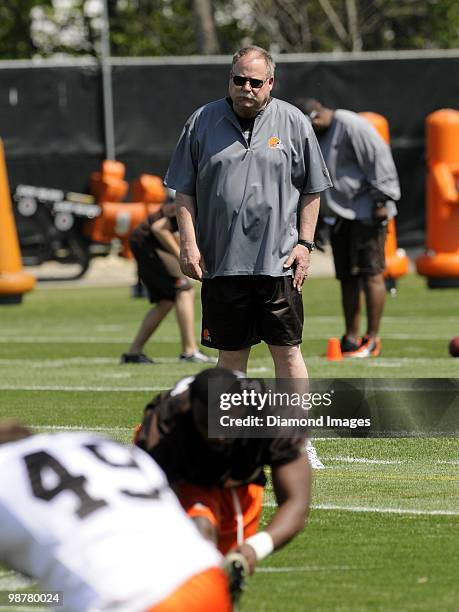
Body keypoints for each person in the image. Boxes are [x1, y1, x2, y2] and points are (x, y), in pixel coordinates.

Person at [165, 46, 332, 468]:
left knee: (288, 352)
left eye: (256, 81)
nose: (247, 88)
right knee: (230, 358)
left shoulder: (294, 121)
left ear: (270, 83)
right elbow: (183, 189)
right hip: (221, 263)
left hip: (278, 262)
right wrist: (188, 242)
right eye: (239, 79)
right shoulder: (201, 121)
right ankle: (230, 444)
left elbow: (312, 188)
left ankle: (295, 442)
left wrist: (305, 245)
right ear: (230, 79)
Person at [0, 420, 231, 612]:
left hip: (127, 601)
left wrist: (11, 599)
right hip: (204, 575)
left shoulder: (6, 471)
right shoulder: (88, 441)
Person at [134, 368, 312, 581]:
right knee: (194, 543)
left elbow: (296, 502)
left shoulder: (273, 415)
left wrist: (256, 547)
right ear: (191, 411)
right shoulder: (164, 427)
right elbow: (152, 508)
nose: (218, 436)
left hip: (241, 478)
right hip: (188, 471)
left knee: (227, 570)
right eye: (208, 425)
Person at [296, 98, 401, 358]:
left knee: (371, 273)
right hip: (340, 215)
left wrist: (381, 200)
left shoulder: (352, 125)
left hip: (367, 211)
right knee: (347, 277)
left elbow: (379, 158)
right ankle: (351, 339)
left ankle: (372, 339)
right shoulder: (316, 135)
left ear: (317, 114)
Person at [120, 198, 215, 364]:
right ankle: (189, 351)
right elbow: (159, 228)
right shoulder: (196, 202)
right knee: (184, 290)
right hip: (148, 241)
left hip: (146, 241)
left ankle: (133, 353)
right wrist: (182, 253)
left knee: (166, 300)